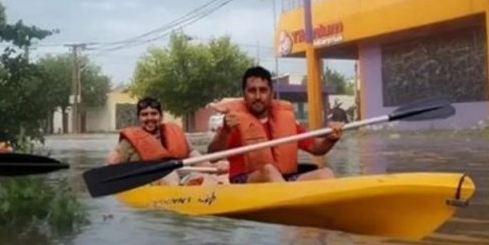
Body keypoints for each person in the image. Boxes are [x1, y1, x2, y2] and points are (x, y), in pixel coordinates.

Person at [207, 66, 344, 184]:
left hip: (282, 181)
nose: (258, 96)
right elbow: (213, 157)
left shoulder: (285, 119)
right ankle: (291, 199)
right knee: (268, 171)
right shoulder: (233, 122)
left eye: (263, 90)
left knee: (326, 174)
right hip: (246, 181)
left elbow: (316, 148)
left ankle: (293, 197)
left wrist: (331, 139)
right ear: (244, 94)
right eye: (252, 91)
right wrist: (225, 131)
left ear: (271, 93)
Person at [106, 96, 227, 186]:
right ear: (139, 118)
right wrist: (113, 161)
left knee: (205, 178)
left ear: (161, 116)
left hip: (182, 176)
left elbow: (194, 156)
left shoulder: (174, 133)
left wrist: (212, 167)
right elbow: (115, 159)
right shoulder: (128, 142)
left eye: (154, 114)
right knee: (169, 175)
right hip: (152, 180)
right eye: (144, 115)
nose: (149, 118)